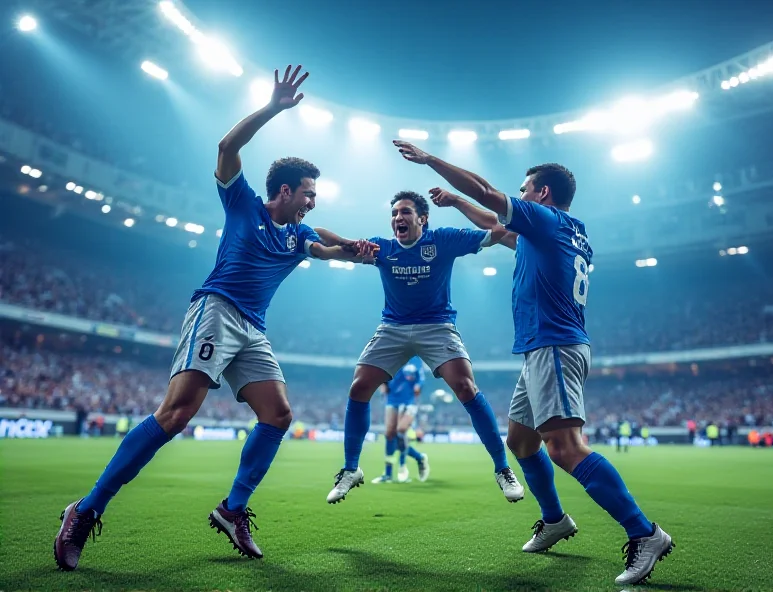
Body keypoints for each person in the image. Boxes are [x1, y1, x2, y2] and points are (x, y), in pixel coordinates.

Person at [53, 65, 377, 571]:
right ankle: (86, 510)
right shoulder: (244, 205)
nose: (312, 202)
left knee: (279, 416)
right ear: (285, 190)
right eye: (308, 193)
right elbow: (227, 148)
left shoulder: (298, 236)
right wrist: (273, 108)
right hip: (217, 310)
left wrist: (354, 250)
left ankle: (233, 509)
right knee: (177, 414)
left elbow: (326, 246)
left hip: (253, 330)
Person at [394, 139, 674, 586]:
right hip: (542, 348)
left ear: (542, 194)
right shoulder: (558, 230)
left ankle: (645, 533)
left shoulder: (545, 220)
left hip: (554, 347)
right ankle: (555, 519)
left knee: (565, 448)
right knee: (521, 442)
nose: (519, 195)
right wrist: (456, 201)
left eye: (524, 190)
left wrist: (431, 162)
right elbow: (494, 222)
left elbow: (490, 195)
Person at [319, 190, 524, 505]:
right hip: (393, 327)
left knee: (466, 387)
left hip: (437, 325)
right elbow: (328, 248)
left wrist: (458, 201)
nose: (398, 218)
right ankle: (350, 469)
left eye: (404, 212)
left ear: (422, 219)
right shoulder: (382, 247)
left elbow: (497, 232)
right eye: (394, 213)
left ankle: (503, 468)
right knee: (359, 387)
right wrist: (327, 238)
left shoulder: (443, 240)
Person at [371, 356, 429, 484]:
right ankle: (388, 473)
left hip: (409, 401)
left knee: (401, 430)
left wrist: (418, 386)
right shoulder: (391, 356)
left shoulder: (415, 359)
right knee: (390, 435)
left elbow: (421, 378)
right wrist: (383, 386)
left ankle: (403, 468)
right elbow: (383, 375)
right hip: (392, 399)